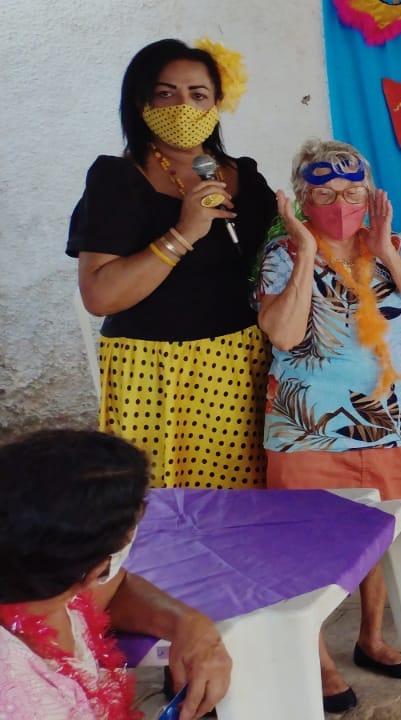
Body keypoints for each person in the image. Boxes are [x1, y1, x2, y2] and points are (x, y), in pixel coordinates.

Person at [256, 139, 401, 712]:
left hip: (391, 428)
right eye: (325, 194)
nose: (341, 204)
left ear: (371, 195)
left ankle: (372, 637)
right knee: (303, 550)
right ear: (301, 199)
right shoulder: (281, 253)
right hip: (307, 432)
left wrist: (387, 253)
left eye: (352, 191)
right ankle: (316, 661)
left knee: (390, 544)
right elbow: (284, 335)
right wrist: (308, 250)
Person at [68, 38, 275, 489]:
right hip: (154, 373)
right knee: (162, 518)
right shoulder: (118, 179)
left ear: (217, 103)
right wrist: (183, 233)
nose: (184, 105)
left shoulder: (246, 176)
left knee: (245, 508)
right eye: (166, 94)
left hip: (244, 366)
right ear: (141, 104)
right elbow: (99, 296)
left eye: (198, 94)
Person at [0, 430, 233, 720]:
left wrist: (190, 627)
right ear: (94, 570)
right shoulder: (24, 699)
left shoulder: (36, 577)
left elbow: (115, 587)